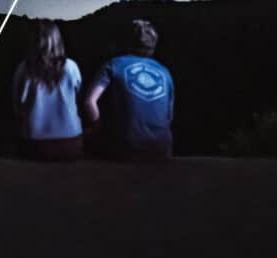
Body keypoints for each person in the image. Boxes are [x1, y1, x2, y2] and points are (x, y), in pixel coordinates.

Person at [83, 18, 174, 161]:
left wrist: (98, 128)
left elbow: (89, 102)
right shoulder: (165, 72)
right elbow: (168, 116)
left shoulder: (114, 64)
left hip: (126, 148)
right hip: (161, 149)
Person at [12, 19, 83, 160]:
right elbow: (77, 97)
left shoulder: (24, 68)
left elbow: (16, 106)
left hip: (34, 144)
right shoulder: (71, 66)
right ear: (58, 39)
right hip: (70, 143)